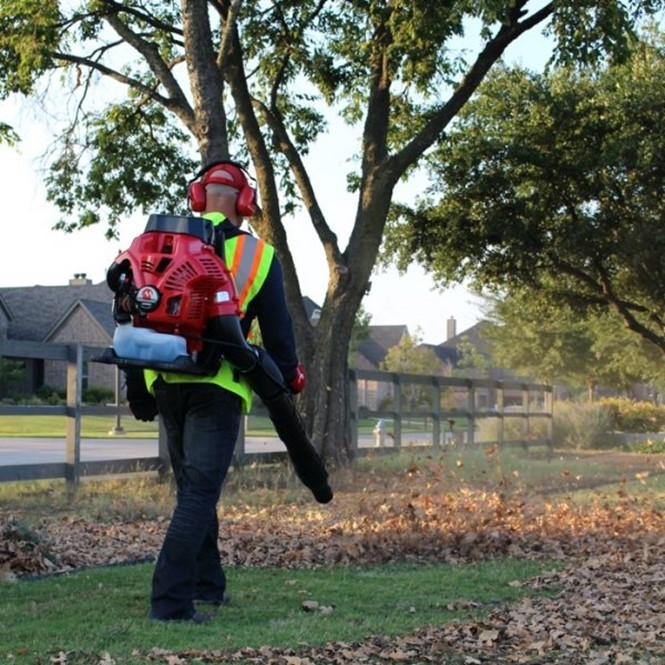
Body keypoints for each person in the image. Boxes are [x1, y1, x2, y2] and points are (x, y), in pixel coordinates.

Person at [125, 160, 306, 623]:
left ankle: (209, 585)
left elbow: (129, 308)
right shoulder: (258, 256)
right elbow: (281, 341)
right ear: (246, 203)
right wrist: (285, 380)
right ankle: (169, 605)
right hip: (218, 384)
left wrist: (137, 388)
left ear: (198, 197)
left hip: (162, 378)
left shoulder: (157, 242)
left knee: (192, 488)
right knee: (199, 494)